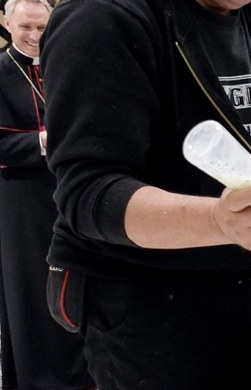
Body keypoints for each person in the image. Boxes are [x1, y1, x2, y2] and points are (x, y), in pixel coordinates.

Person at [39, 0, 251, 387]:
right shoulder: (102, 16)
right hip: (141, 298)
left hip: (247, 285)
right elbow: (90, 192)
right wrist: (216, 221)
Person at [0, 0, 94, 388]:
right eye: (26, 28)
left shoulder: (68, 62)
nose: (36, 37)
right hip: (21, 204)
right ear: (5, 22)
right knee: (31, 298)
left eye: (43, 28)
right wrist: (43, 142)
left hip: (69, 196)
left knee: (77, 292)